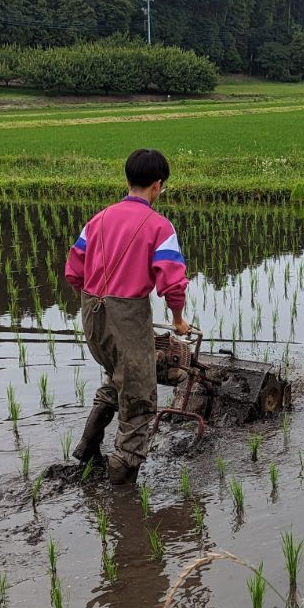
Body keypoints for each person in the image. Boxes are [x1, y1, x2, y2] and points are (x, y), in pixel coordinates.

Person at [65, 148, 191, 484]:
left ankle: (88, 448)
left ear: (127, 180)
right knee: (139, 400)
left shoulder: (98, 219)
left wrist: (95, 298)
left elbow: (74, 271)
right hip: (127, 318)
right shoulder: (159, 227)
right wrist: (178, 320)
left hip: (93, 317)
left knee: (118, 377)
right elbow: (173, 283)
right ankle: (121, 493)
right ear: (158, 185)